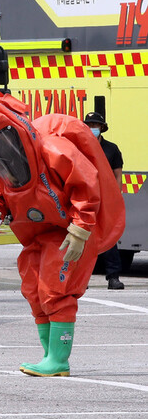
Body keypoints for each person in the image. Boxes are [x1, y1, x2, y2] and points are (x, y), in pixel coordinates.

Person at [0, 91, 124, 377]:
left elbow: (86, 185)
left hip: (66, 232)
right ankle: (49, 355)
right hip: (36, 233)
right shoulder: (0, 162)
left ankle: (59, 360)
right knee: (34, 289)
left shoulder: (55, 151)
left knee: (55, 289)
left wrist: (80, 229)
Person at [85, 112, 125, 290]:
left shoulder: (111, 149)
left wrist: (116, 197)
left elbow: (117, 174)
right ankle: (81, 279)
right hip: (85, 199)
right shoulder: (80, 146)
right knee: (83, 238)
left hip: (106, 199)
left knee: (109, 239)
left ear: (102, 127)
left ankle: (113, 277)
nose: (92, 127)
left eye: (95, 124)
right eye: (89, 124)